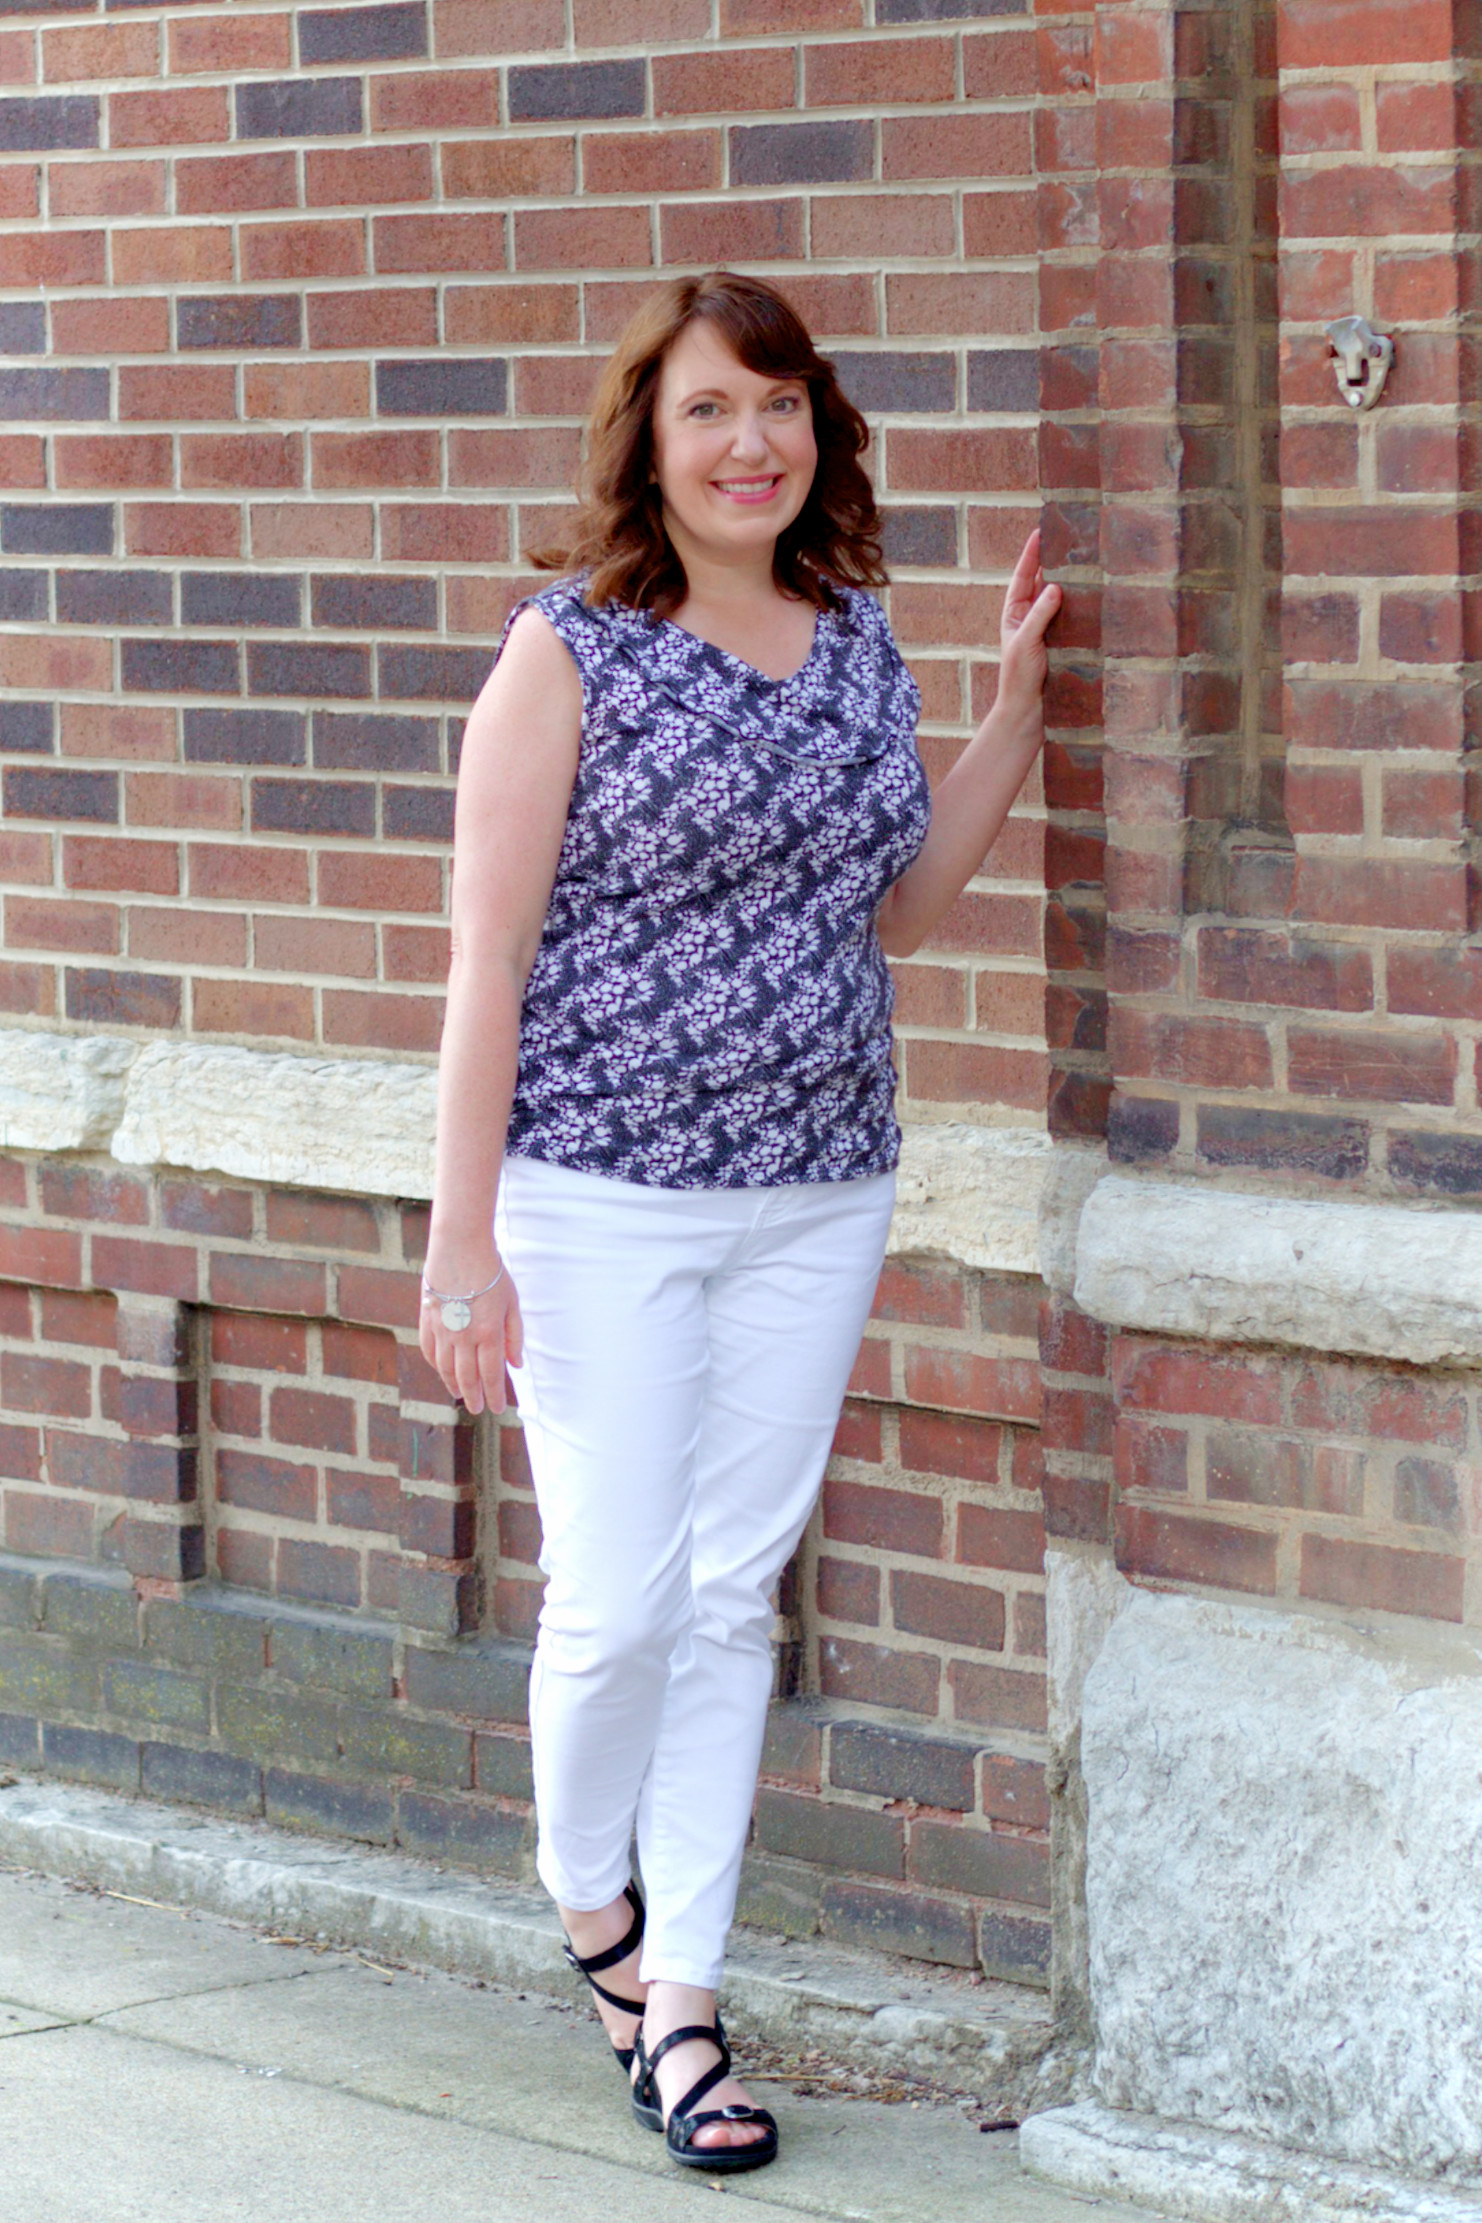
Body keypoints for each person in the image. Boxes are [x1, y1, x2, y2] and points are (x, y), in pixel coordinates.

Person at [419, 269, 1060, 2177]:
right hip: (599, 1193)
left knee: (725, 1598)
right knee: (616, 1597)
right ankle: (586, 1909)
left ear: (817, 432)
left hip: (818, 1186)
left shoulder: (859, 639)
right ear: (651, 437)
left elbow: (899, 915)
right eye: (710, 409)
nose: (748, 442)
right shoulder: (569, 649)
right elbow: (486, 953)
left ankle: (681, 1996)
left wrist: (1014, 716)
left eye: (777, 407)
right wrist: (461, 1243)